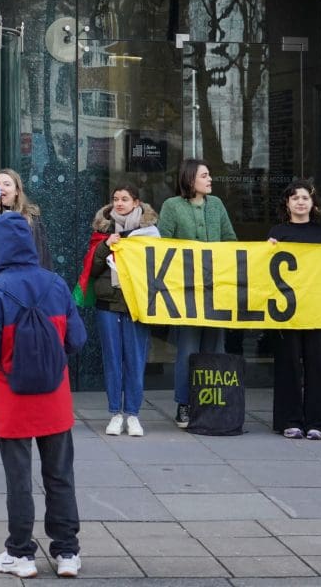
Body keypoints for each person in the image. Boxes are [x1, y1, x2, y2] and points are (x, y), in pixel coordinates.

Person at [0, 212, 86, 580]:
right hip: (54, 398)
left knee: (18, 479)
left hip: (12, 400)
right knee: (60, 475)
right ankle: (67, 553)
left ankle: (21, 554)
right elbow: (76, 340)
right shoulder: (56, 284)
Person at [156, 158, 236, 429]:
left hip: (216, 290)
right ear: (191, 180)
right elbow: (162, 246)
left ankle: (213, 403)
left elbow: (230, 240)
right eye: (205, 175)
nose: (210, 179)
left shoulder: (217, 206)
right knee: (188, 349)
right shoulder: (171, 206)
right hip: (187, 291)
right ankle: (185, 403)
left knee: (215, 348)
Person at [266, 179, 321, 439]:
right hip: (286, 310)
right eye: (295, 197)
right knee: (288, 364)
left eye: (305, 198)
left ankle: (317, 423)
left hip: (315, 308)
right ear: (287, 204)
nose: (300, 202)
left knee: (317, 366)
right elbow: (263, 269)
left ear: (313, 204)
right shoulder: (278, 232)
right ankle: (290, 420)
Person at [79, 183, 157, 437]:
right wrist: (105, 246)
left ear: (136, 202)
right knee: (112, 359)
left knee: (135, 359)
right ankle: (115, 413)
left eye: (125, 199)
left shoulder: (150, 232)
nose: (119, 203)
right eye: (115, 199)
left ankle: (133, 414)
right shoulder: (102, 229)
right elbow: (92, 267)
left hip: (136, 303)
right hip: (108, 303)